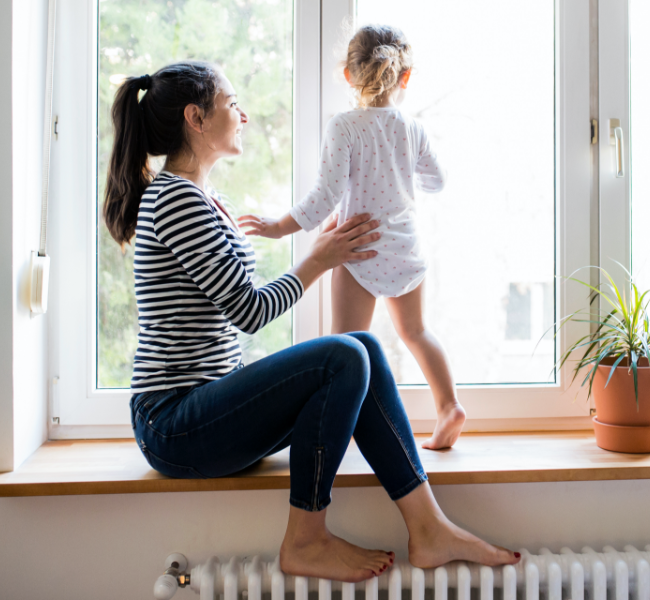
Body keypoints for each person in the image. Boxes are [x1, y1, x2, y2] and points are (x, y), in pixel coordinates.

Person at [102, 60, 520, 583]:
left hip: (206, 406)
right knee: (343, 354)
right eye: (232, 104)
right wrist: (318, 260)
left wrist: (319, 252)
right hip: (173, 424)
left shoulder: (206, 199)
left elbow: (232, 302)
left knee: (361, 346)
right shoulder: (176, 200)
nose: (244, 115)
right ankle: (305, 538)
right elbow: (249, 310)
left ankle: (428, 527)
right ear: (196, 118)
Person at [238, 25, 466, 450]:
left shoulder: (343, 127)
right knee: (416, 332)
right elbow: (437, 180)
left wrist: (276, 226)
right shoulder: (411, 128)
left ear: (348, 75)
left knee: (345, 348)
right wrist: (400, 170)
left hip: (357, 247)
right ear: (406, 76)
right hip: (405, 246)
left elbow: (323, 198)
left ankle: (343, 431)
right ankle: (449, 405)